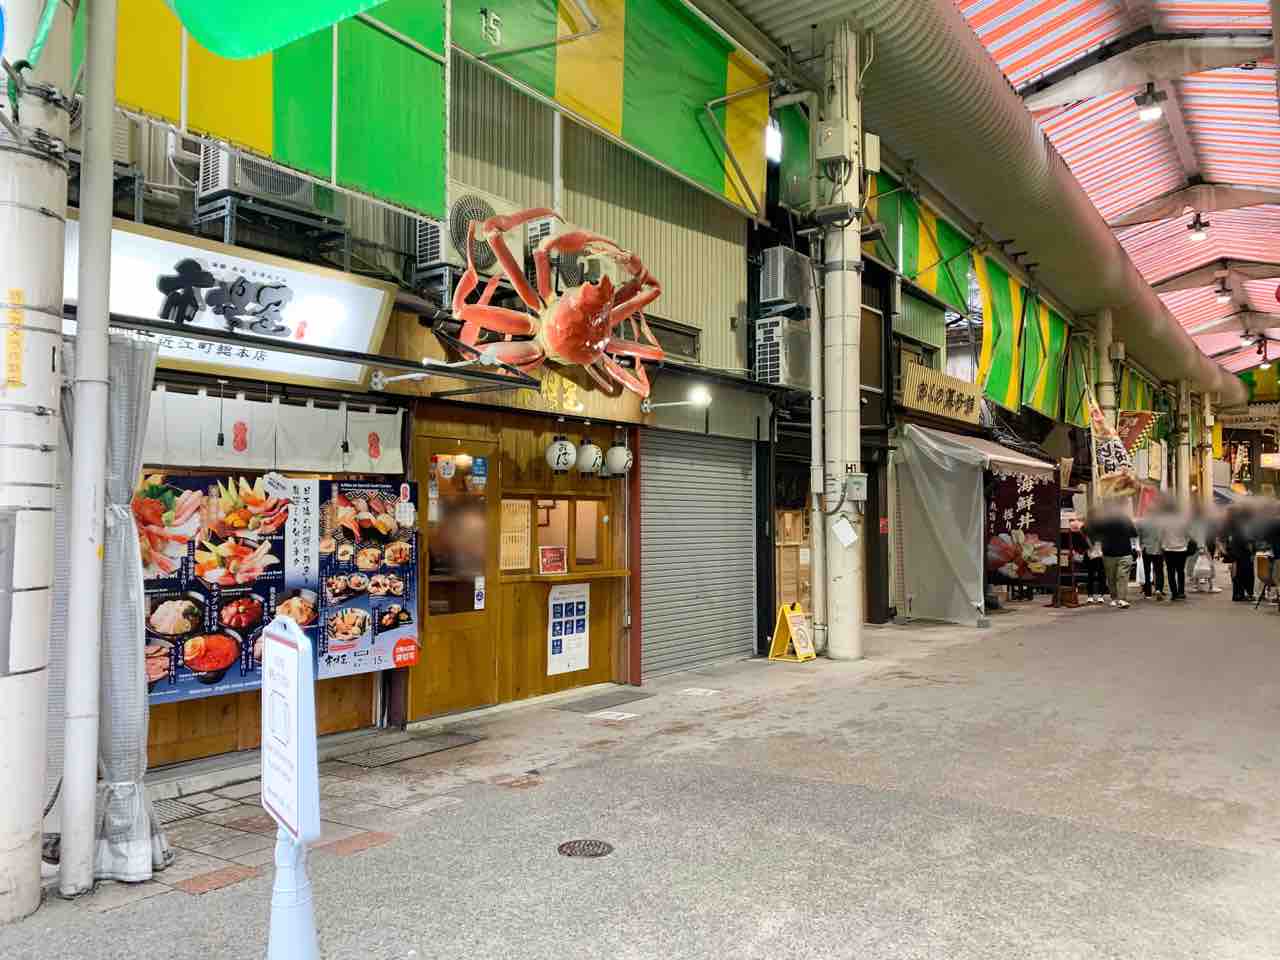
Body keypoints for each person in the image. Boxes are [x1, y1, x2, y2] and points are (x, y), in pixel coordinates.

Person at [1085, 503, 1138, 608]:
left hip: (1116, 554)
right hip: (1117, 553)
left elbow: (1091, 532)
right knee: (1114, 577)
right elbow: (1134, 534)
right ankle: (1115, 598)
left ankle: (1121, 599)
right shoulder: (1122, 520)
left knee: (1117, 576)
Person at [1160, 502, 1191, 600]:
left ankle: (1174, 593)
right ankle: (1181, 592)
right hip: (1181, 549)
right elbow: (1189, 535)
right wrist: (1185, 543)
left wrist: (1163, 545)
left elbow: (1161, 535)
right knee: (1181, 571)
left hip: (1168, 550)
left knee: (1171, 572)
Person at [1225, 503, 1256, 602]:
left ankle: (1237, 594)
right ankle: (1244, 594)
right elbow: (1248, 541)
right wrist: (1252, 552)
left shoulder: (1233, 522)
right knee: (1245, 574)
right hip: (1243, 553)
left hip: (1235, 552)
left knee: (1236, 574)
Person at [1137, 509, 1165, 599]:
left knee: (1147, 571)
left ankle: (1148, 593)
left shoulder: (1142, 523)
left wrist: (1140, 546)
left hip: (1146, 549)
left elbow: (1138, 535)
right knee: (1159, 571)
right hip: (1158, 549)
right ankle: (1158, 589)